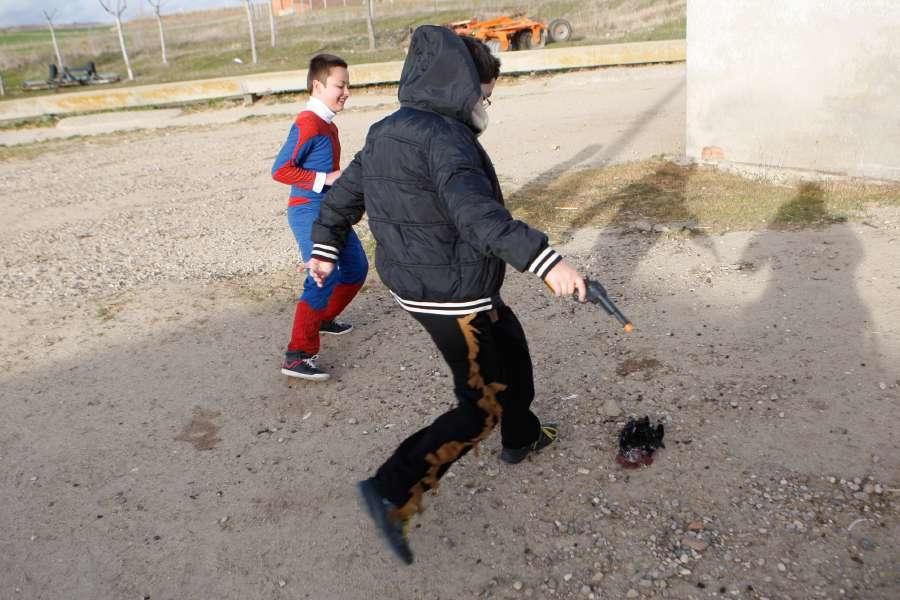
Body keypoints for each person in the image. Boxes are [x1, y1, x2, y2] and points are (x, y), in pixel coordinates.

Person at [307, 26, 586, 564]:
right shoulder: (448, 140)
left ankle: (521, 435)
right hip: (449, 295)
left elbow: (341, 200)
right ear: (461, 88)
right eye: (483, 95)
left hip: (439, 283)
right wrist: (547, 263)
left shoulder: (386, 130)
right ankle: (393, 488)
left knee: (510, 342)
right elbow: (479, 217)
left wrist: (323, 246)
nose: (486, 105)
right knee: (479, 402)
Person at [271, 54, 368, 381]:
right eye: (340, 85)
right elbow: (280, 170)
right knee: (323, 274)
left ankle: (323, 317)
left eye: (348, 85)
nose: (346, 92)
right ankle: (298, 354)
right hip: (308, 210)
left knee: (356, 268)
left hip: (331, 210)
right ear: (318, 85)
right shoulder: (308, 122)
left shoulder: (327, 123)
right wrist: (323, 179)